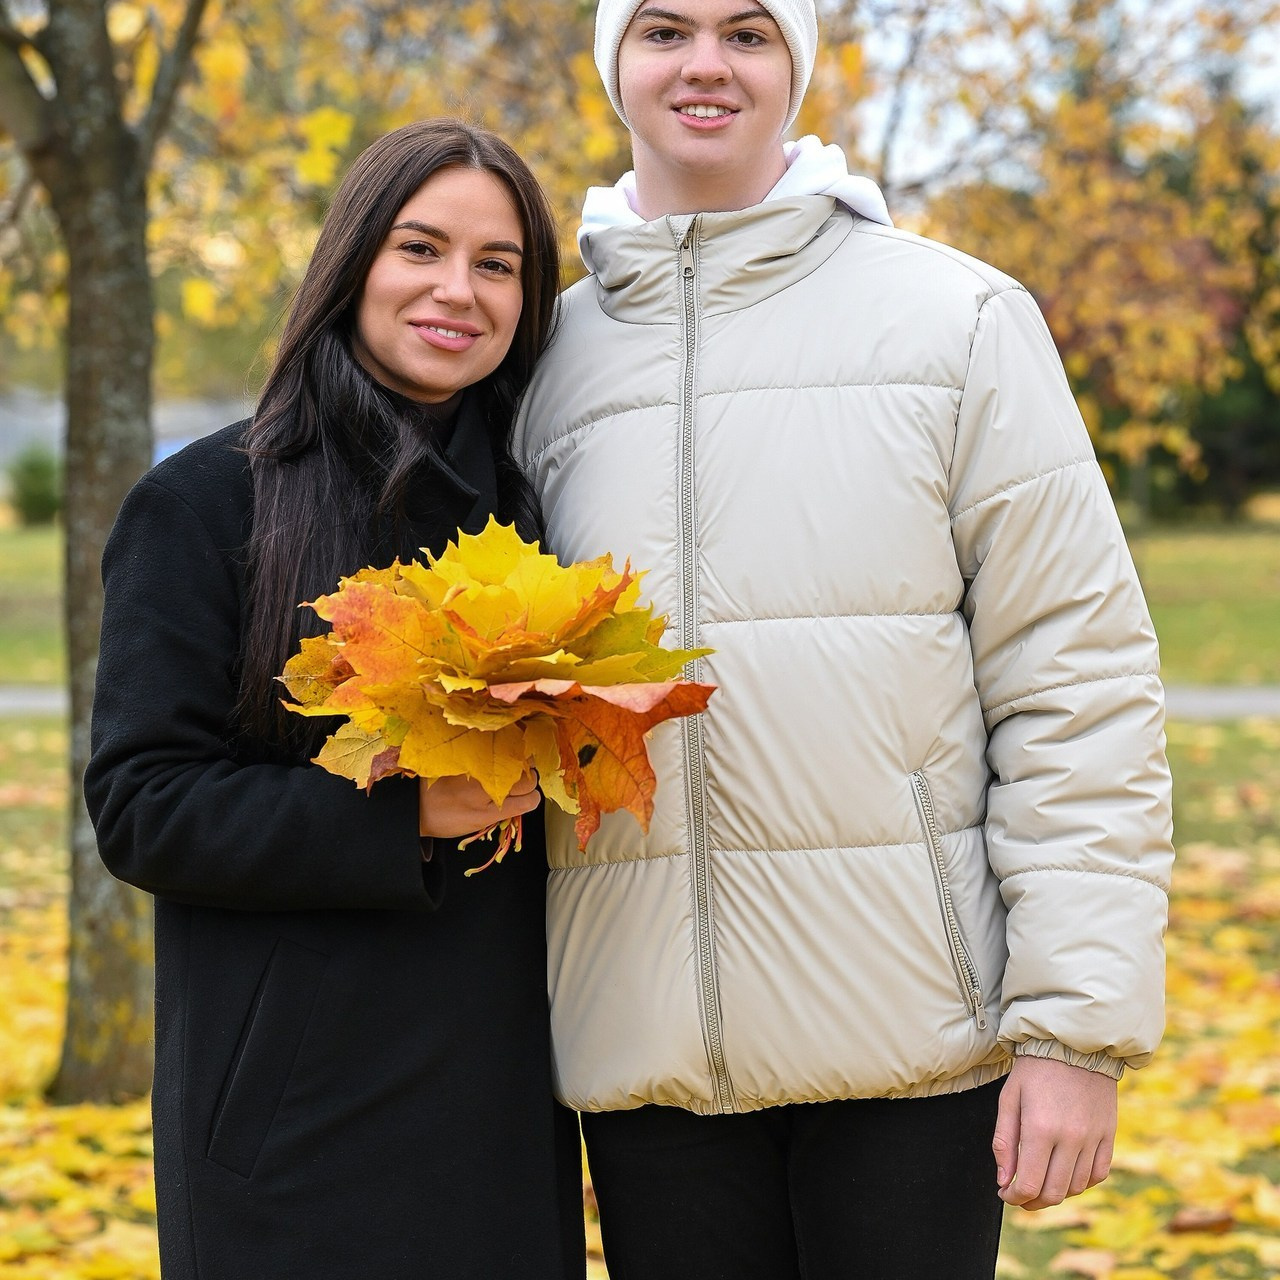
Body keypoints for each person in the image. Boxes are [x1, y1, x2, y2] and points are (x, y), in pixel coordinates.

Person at [513, 3, 1175, 1277]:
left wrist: (1072, 1034)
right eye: (662, 30)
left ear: (797, 68)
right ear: (613, 65)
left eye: (748, 32)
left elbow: (1074, 678)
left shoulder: (958, 321)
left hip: (911, 1040)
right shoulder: (540, 355)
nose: (704, 64)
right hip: (647, 1060)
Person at [85, 119, 585, 1280]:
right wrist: (397, 812)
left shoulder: (537, 516)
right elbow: (142, 802)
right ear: (354, 258)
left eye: (497, 264)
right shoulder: (205, 501)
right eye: (421, 247)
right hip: (285, 1121)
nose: (456, 289)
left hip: (497, 1111)